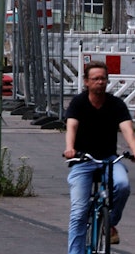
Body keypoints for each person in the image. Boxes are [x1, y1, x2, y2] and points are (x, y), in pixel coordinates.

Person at [64, 60, 135, 252]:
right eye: (95, 79)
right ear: (86, 82)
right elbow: (71, 125)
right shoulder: (79, 102)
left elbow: (127, 128)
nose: (100, 82)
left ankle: (109, 223)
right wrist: (70, 148)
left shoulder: (116, 104)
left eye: (103, 78)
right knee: (79, 213)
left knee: (122, 185)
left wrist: (134, 149)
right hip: (83, 160)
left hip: (109, 159)